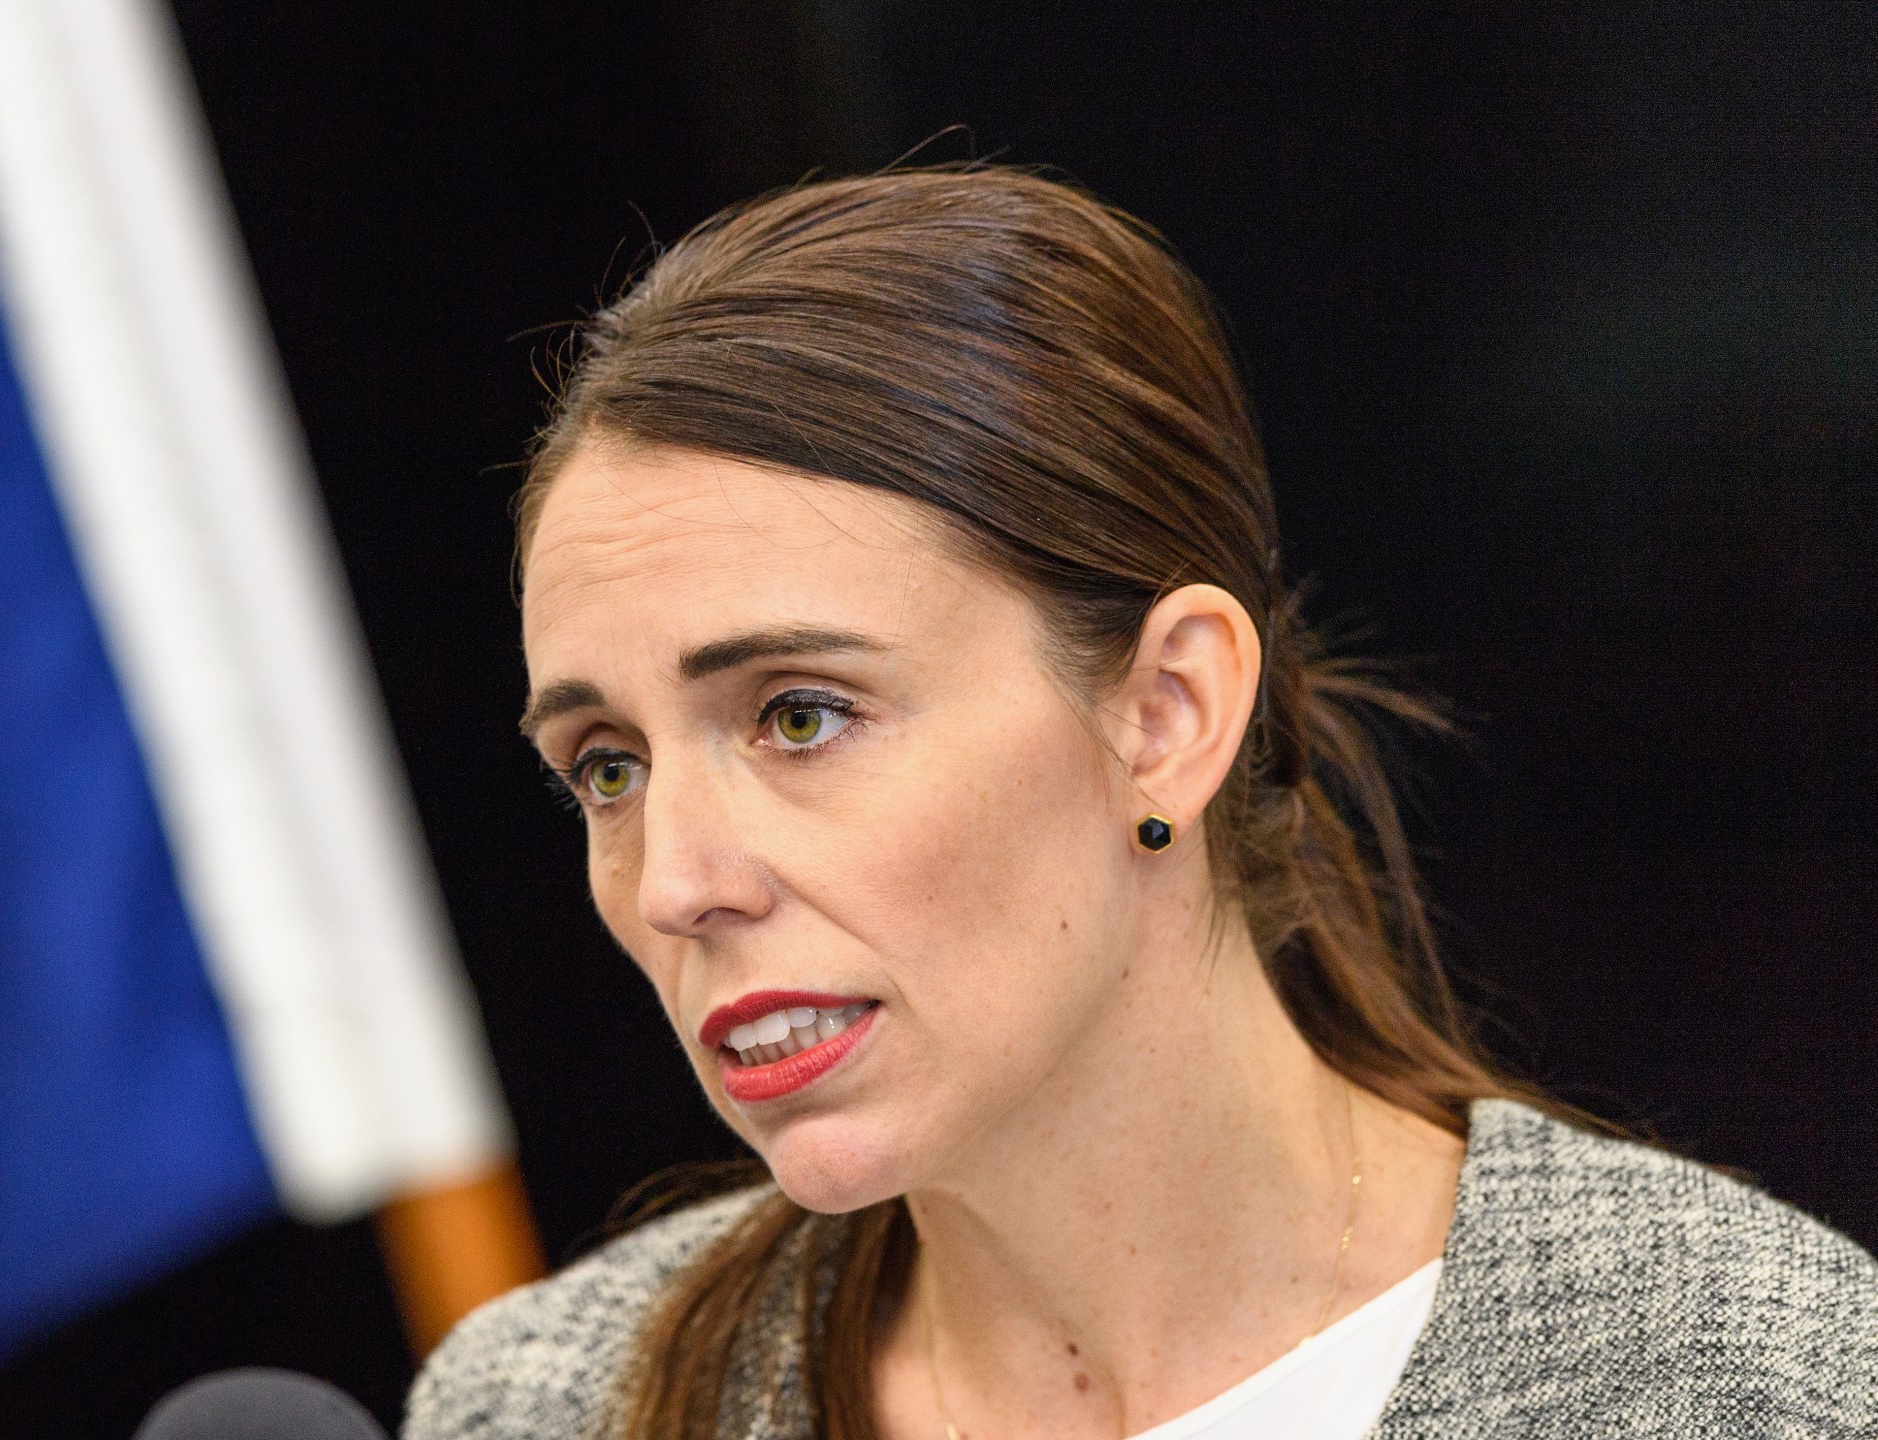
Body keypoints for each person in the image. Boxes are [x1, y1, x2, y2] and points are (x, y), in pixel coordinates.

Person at [402, 168, 1877, 1440]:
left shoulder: (1753, 1385)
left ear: (1168, 713)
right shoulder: (546, 1405)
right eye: (609, 765)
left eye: (801, 716)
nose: (675, 880)